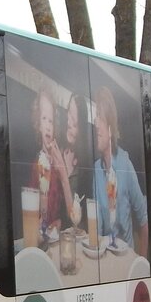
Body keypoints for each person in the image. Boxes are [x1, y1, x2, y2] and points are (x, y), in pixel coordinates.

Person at [92, 86, 148, 256]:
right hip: (105, 260)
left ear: (110, 127)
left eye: (99, 118)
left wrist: (142, 266)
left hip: (126, 259)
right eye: (95, 118)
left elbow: (143, 221)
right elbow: (97, 229)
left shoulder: (125, 164)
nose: (96, 125)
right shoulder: (96, 169)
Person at [30, 84, 77, 240]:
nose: (48, 126)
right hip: (40, 239)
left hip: (56, 239)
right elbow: (31, 211)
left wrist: (59, 222)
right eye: (44, 119)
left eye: (51, 121)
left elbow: (68, 214)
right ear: (38, 124)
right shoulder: (36, 165)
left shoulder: (58, 164)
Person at [60, 94, 88, 230]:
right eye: (69, 114)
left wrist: (64, 177)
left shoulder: (85, 166)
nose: (70, 123)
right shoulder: (57, 150)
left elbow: (77, 223)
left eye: (75, 123)